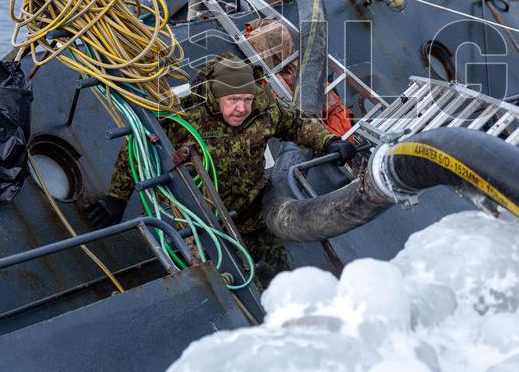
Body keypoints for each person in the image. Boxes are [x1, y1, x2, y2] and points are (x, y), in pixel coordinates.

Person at [85, 54, 355, 285]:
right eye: (233, 99)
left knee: (278, 277)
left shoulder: (264, 110)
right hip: (207, 223)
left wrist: (328, 141)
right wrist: (116, 198)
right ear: (216, 96)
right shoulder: (185, 118)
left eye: (247, 99)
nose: (242, 108)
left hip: (254, 214)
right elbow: (137, 150)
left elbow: (295, 124)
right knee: (226, 282)